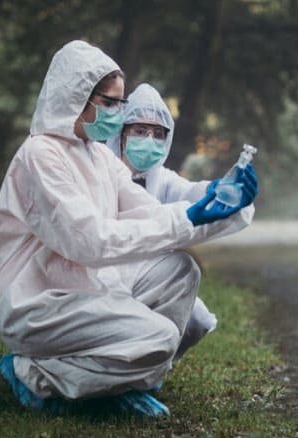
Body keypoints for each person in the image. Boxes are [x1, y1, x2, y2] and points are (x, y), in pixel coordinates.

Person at [0, 40, 258, 417]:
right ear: (76, 96)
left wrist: (222, 206)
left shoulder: (97, 155)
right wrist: (189, 216)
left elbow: (149, 216)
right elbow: (90, 241)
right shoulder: (40, 156)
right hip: (40, 302)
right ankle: (34, 374)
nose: (120, 111)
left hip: (87, 289)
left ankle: (122, 382)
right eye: (111, 102)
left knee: (179, 270)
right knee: (161, 337)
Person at [106, 83, 256, 359]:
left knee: (196, 321)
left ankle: (152, 368)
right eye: (140, 131)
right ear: (122, 134)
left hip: (158, 276)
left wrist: (226, 191)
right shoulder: (101, 173)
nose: (149, 140)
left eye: (157, 134)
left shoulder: (162, 179)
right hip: (107, 275)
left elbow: (191, 193)